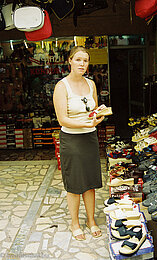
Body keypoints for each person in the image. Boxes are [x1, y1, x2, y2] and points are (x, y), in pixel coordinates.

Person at [53, 46, 105, 241]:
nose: (82, 64)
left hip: (90, 138)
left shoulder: (91, 84)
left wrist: (99, 115)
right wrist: (85, 123)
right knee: (75, 184)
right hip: (72, 139)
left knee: (90, 182)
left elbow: (93, 111)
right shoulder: (62, 86)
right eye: (78, 60)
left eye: (85, 60)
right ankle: (75, 223)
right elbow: (62, 120)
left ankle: (91, 220)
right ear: (70, 61)